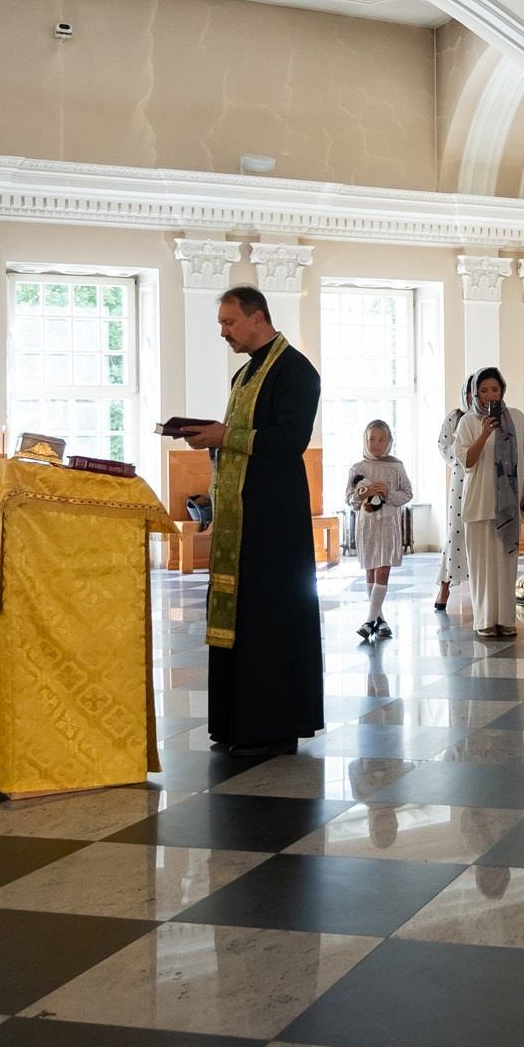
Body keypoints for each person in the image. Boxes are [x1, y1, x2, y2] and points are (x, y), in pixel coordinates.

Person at [186, 285, 323, 755]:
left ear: (257, 317)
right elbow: (241, 439)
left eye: (229, 322)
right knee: (239, 617)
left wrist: (227, 435)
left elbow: (290, 439)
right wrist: (213, 437)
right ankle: (235, 723)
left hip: (274, 520)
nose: (223, 332)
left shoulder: (297, 371)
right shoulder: (243, 376)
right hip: (238, 519)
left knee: (271, 617)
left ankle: (274, 726)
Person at [458, 366, 524, 639]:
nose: (490, 395)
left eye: (494, 389)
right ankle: (484, 620)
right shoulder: (468, 422)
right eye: (483, 391)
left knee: (506, 563)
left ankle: (505, 618)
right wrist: (483, 433)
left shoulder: (516, 417)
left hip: (508, 503)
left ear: (502, 389)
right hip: (479, 502)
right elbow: (467, 461)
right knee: (482, 566)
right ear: (475, 393)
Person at [346, 419, 413, 642]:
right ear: (365, 441)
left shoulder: (396, 466)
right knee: (370, 568)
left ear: (389, 442)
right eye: (372, 439)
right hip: (367, 525)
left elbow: (407, 493)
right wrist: (362, 494)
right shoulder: (358, 468)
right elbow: (349, 499)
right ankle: (379, 619)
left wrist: (387, 492)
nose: (376, 444)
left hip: (388, 524)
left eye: (382, 439)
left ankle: (367, 622)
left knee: (383, 567)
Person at [433, 375, 474, 612]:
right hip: (460, 477)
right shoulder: (455, 416)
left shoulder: (487, 418)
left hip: (482, 478)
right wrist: (461, 457)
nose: (472, 397)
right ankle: (444, 587)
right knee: (456, 531)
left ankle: (482, 590)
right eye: (469, 392)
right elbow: (443, 444)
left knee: (480, 533)